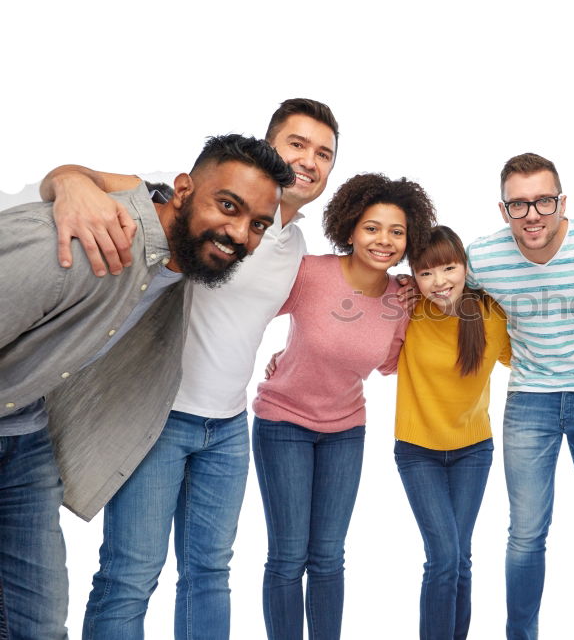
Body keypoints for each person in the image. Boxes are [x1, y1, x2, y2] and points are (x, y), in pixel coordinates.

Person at [41, 98, 339, 640]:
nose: (309, 160)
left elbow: (319, 310)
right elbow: (72, 178)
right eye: (297, 144)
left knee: (209, 574)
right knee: (130, 576)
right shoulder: (199, 199)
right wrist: (68, 183)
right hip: (157, 417)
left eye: (324, 154)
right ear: (269, 146)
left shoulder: (294, 245)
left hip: (227, 427)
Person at [0, 134, 291, 640]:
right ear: (183, 190)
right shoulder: (92, 238)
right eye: (227, 206)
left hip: (24, 435)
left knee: (39, 626)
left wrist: (72, 175)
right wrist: (68, 180)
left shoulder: (178, 263)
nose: (240, 233)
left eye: (258, 225)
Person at [252, 173, 435, 639]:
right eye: (373, 228)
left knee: (329, 558)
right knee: (289, 556)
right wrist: (279, 358)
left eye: (397, 232)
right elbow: (248, 312)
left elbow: (390, 365)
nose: (384, 241)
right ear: (351, 228)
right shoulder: (311, 272)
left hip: (346, 430)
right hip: (283, 423)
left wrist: (419, 307)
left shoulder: (401, 298)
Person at [465, 153, 574, 640]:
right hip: (529, 399)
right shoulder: (484, 257)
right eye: (519, 204)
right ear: (503, 210)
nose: (532, 213)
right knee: (525, 533)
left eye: (543, 201)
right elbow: (445, 294)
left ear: (562, 202)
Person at [394, 225, 511, 640]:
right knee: (443, 557)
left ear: (465, 266)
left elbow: (532, 355)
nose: (439, 281)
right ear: (414, 275)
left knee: (460, 558)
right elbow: (360, 342)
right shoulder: (406, 310)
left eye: (448, 268)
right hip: (417, 450)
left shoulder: (493, 314)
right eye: (426, 273)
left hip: (473, 450)